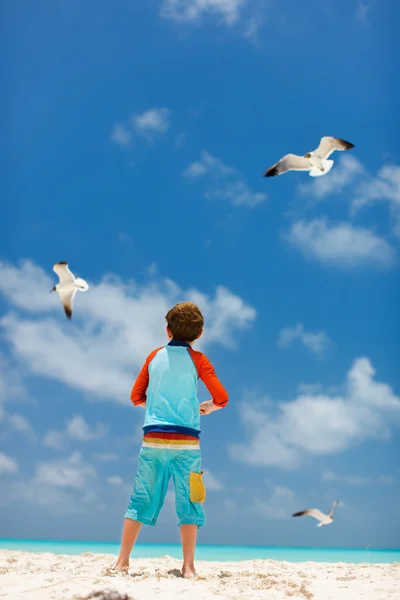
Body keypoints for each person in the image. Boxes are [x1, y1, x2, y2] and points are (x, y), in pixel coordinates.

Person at [112, 301, 228, 578]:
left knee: (141, 497)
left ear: (167, 331)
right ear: (199, 334)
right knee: (190, 500)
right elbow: (222, 398)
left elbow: (136, 397)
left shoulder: (154, 357)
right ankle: (188, 567)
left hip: (153, 439)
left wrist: (156, 408)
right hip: (187, 444)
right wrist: (207, 407)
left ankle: (122, 562)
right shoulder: (199, 360)